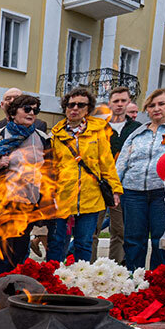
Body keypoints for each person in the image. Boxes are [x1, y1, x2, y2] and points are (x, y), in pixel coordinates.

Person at [0, 94, 52, 274]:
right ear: (14, 112)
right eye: (27, 109)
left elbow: (50, 172)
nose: (32, 113)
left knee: (20, 252)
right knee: (0, 252)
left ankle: (15, 292)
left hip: (27, 204)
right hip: (0, 203)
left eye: (35, 110)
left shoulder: (42, 139)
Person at [116, 88, 165, 271]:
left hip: (164, 193)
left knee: (162, 240)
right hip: (133, 192)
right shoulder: (137, 133)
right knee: (133, 239)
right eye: (151, 105)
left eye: (161, 104)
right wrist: (115, 188)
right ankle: (133, 278)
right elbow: (122, 162)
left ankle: (159, 279)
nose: (156, 108)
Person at [48, 86, 122, 263]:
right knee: (57, 242)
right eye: (71, 104)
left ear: (88, 109)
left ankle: (81, 281)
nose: (75, 108)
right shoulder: (55, 135)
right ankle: (52, 278)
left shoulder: (98, 132)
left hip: (90, 196)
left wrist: (115, 189)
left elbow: (107, 164)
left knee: (84, 242)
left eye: (81, 105)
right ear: (65, 107)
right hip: (63, 196)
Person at [99, 86, 141, 263]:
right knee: (93, 230)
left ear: (128, 103)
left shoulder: (137, 129)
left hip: (123, 186)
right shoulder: (99, 127)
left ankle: (114, 267)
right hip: (98, 184)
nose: (119, 104)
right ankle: (89, 268)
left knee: (119, 230)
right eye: (116, 101)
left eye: (123, 101)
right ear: (109, 103)